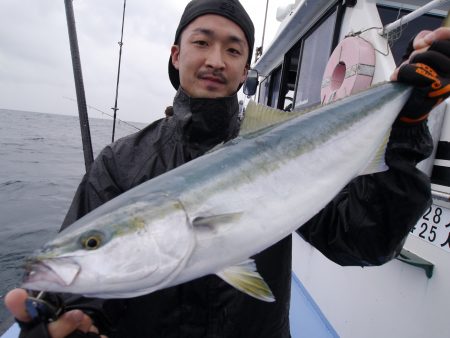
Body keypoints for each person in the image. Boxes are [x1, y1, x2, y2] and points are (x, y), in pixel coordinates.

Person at [5, 0, 450, 336]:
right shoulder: (120, 162)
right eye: (201, 42)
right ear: (177, 55)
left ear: (244, 69)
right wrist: (60, 320)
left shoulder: (280, 148)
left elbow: (364, 242)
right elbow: (82, 293)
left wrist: (406, 128)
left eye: (233, 49)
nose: (216, 59)